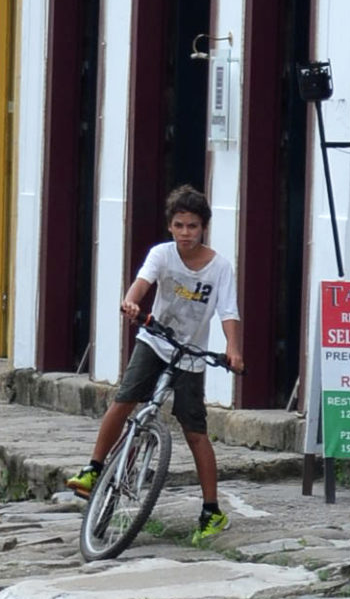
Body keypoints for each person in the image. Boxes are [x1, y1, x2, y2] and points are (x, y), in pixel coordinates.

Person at [68, 185, 243, 546]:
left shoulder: (220, 268)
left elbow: (228, 311)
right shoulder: (162, 255)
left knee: (195, 432)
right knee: (125, 399)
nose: (185, 233)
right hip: (155, 340)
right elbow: (141, 284)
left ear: (204, 227)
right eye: (179, 225)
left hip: (191, 354)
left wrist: (233, 349)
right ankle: (94, 468)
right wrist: (131, 303)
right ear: (170, 227)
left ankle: (211, 510)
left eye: (192, 226)